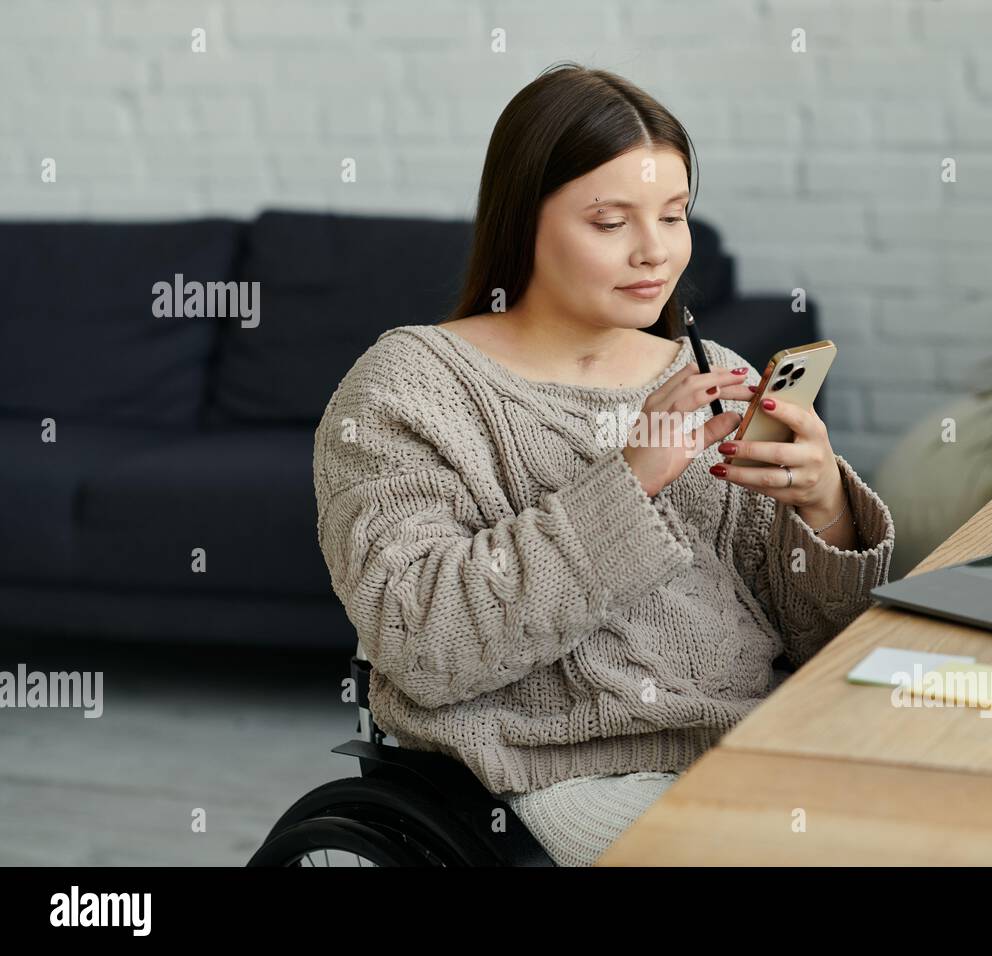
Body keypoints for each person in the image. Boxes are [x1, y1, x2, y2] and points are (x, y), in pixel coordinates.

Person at [312, 62, 894, 867]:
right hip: (555, 774)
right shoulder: (406, 390)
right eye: (610, 221)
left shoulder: (705, 367)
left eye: (674, 214)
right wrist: (630, 477)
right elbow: (423, 643)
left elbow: (820, 641)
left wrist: (824, 508)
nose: (656, 253)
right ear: (524, 221)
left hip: (756, 742)